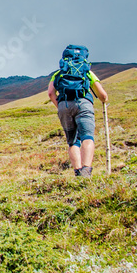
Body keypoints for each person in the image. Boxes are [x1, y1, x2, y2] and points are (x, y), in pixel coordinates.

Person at [47, 45, 109, 177]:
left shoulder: (58, 74)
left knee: (73, 141)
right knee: (87, 137)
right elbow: (102, 95)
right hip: (83, 104)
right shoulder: (86, 71)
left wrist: (61, 106)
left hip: (64, 106)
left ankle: (77, 171)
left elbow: (50, 93)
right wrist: (104, 99)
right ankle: (86, 171)